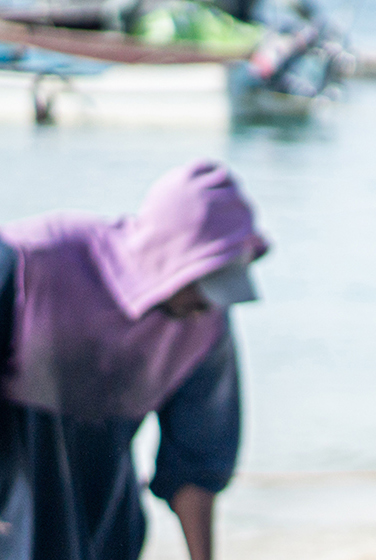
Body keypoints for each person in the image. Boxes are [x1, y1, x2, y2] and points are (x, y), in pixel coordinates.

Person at [0, 159, 267, 560]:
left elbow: (197, 459)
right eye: (201, 285)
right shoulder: (32, 262)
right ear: (168, 257)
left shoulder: (204, 326)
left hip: (106, 527)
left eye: (220, 291)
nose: (205, 305)